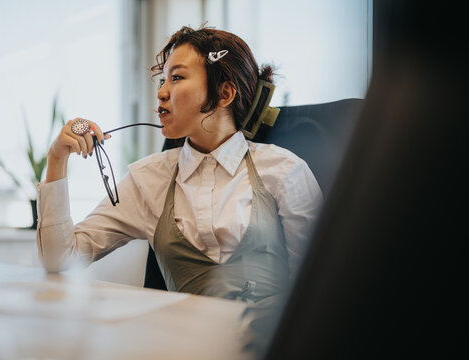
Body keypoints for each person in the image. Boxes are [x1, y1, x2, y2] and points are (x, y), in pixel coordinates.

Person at [37, 25, 322, 304]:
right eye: (163, 80)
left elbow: (318, 288)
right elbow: (59, 258)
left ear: (225, 94)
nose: (161, 92)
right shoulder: (147, 180)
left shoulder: (285, 171)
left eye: (177, 78)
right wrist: (56, 157)